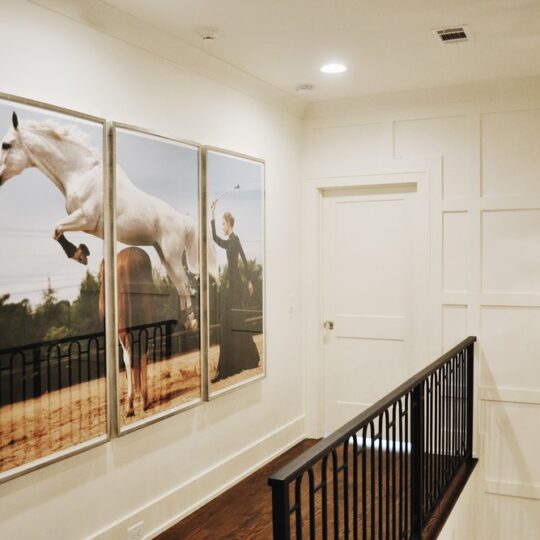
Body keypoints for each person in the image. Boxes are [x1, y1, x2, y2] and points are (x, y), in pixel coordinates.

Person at [211, 200, 260, 382]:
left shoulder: (235, 239)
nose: (222, 227)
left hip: (236, 287)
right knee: (229, 323)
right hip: (231, 286)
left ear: (229, 224)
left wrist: (250, 281)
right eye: (221, 224)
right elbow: (215, 238)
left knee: (232, 322)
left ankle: (230, 366)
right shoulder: (229, 241)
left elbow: (245, 260)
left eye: (223, 224)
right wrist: (212, 215)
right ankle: (236, 363)